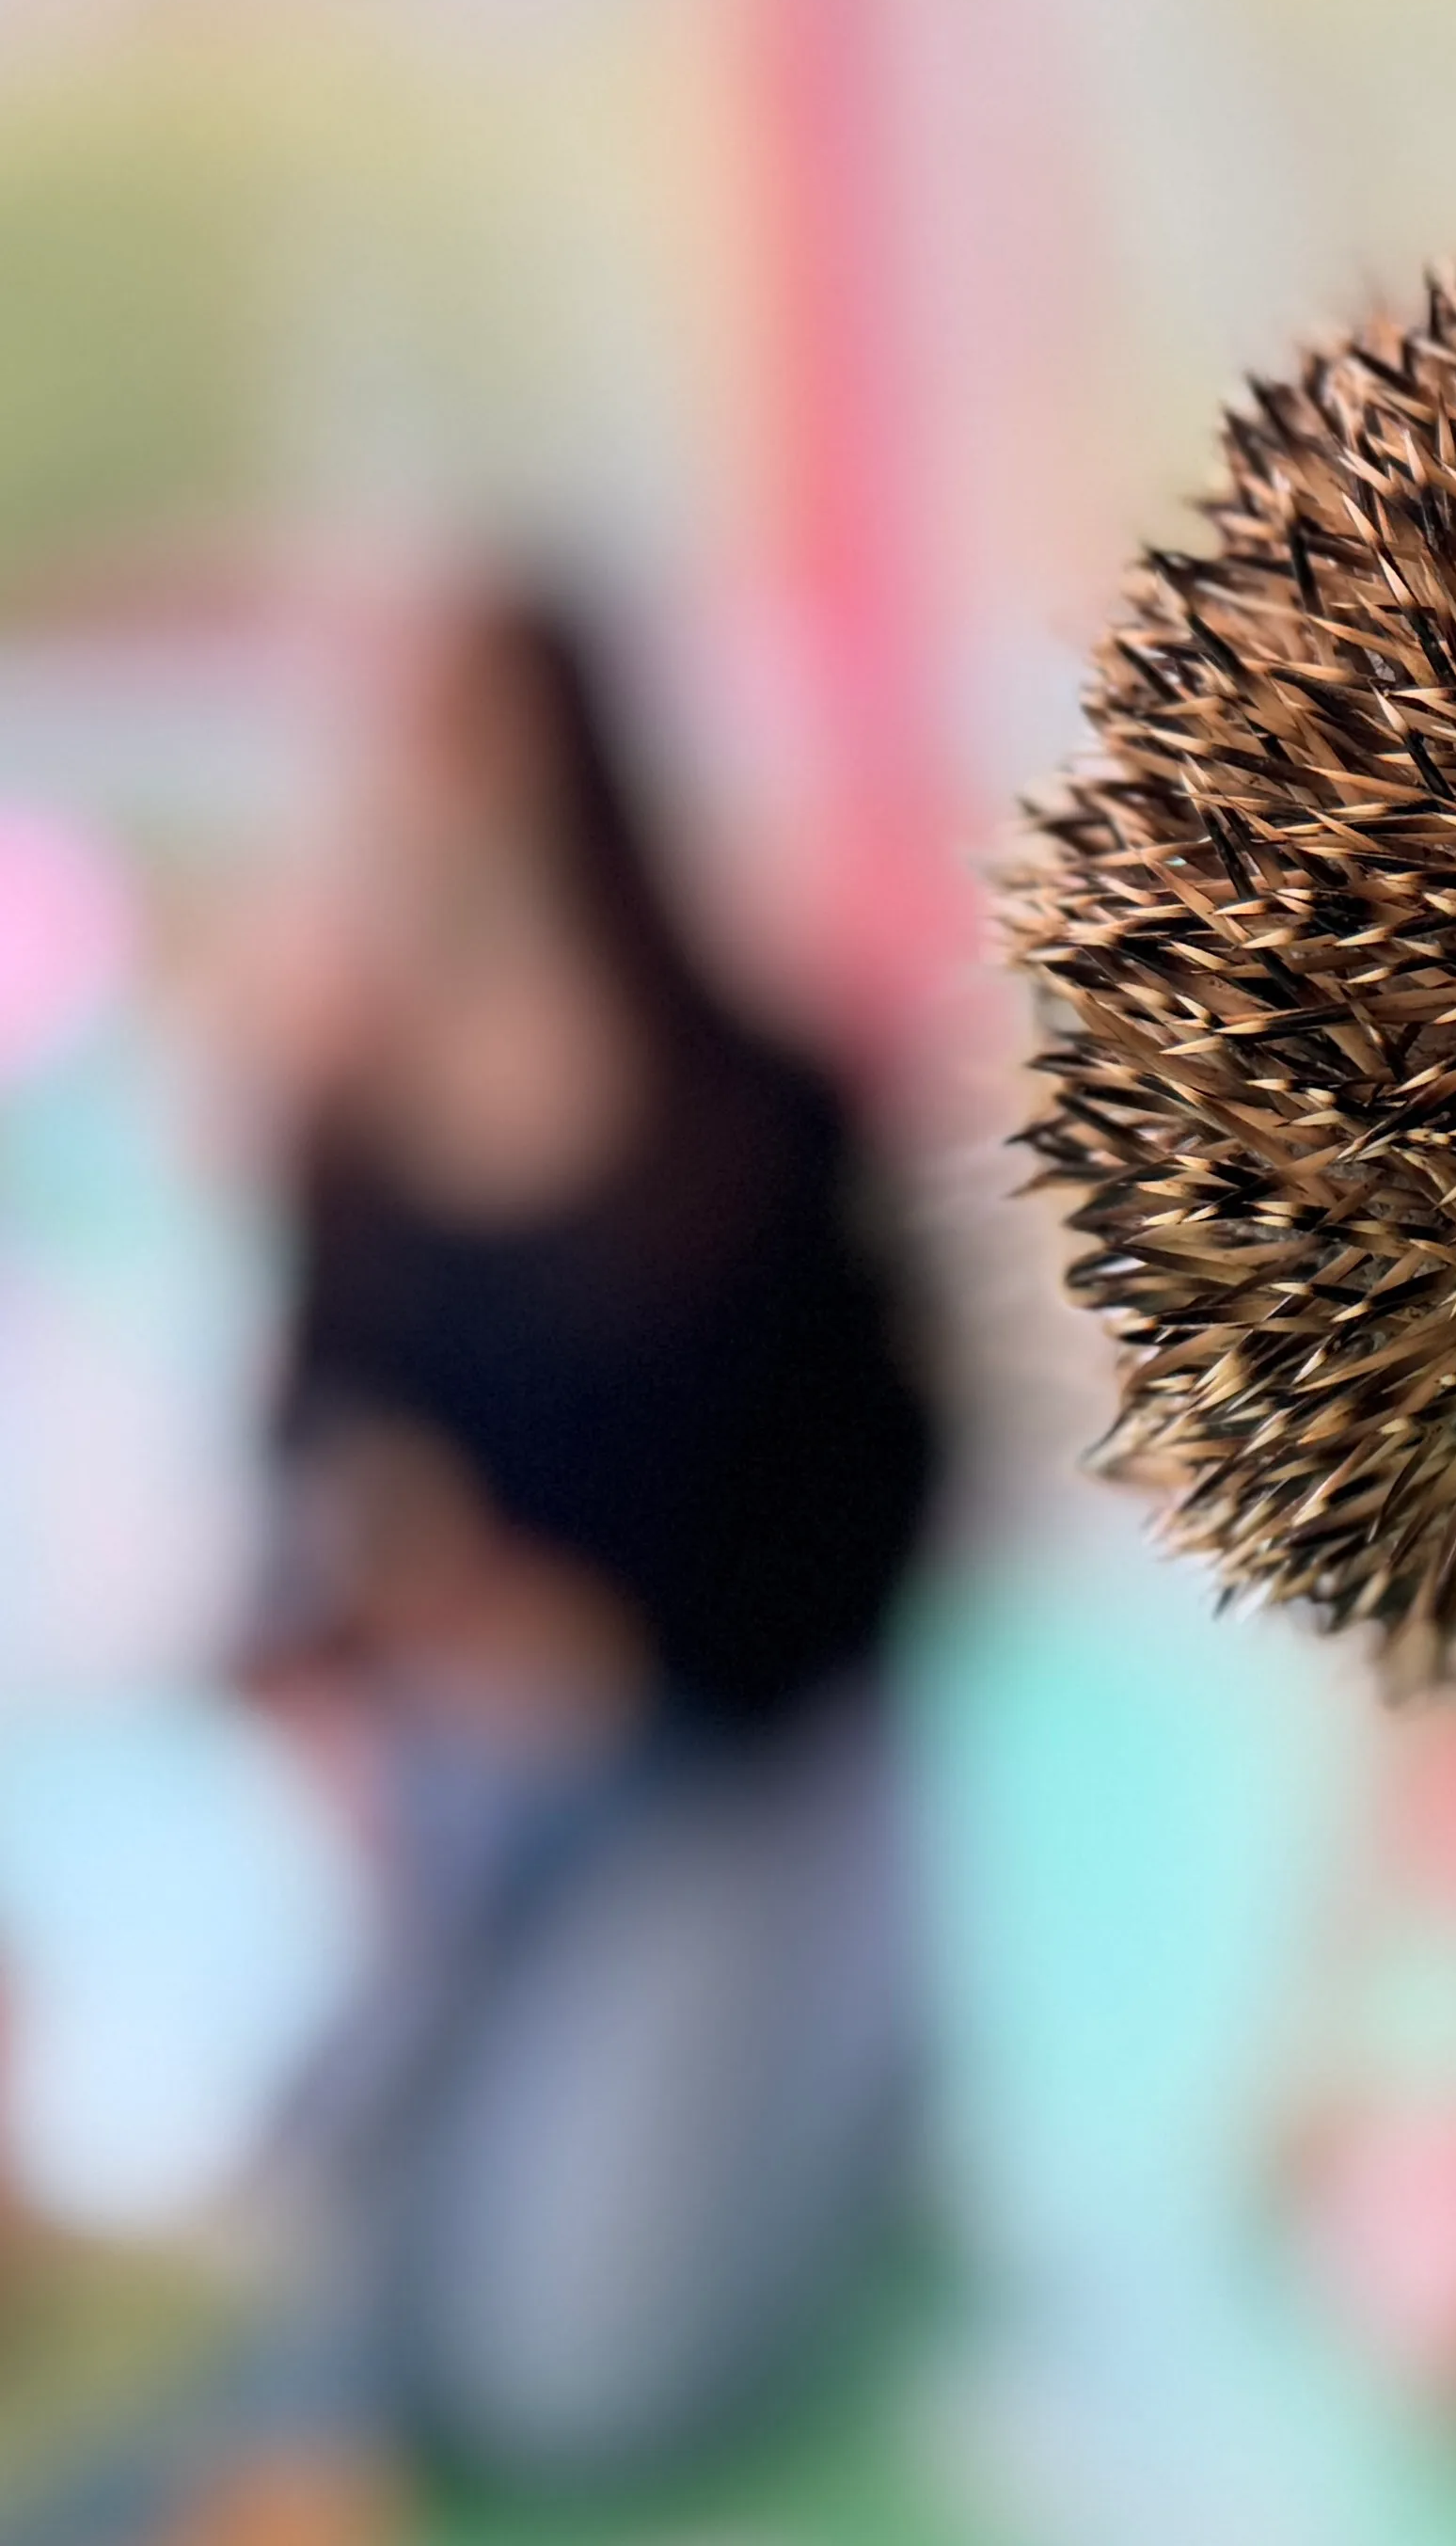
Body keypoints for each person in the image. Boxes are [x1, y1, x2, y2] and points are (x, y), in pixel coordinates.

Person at [214, 585, 942, 2522]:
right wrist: (368, 1612)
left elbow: (885, 1516)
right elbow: (301, 1460)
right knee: (310, 2247)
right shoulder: (348, 1130)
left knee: (582, 2360)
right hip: (464, 1793)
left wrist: (628, 1647)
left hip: (733, 1761)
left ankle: (868, 2059)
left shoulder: (764, 1115)